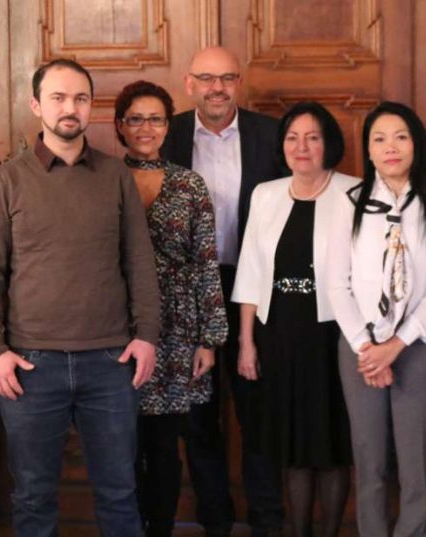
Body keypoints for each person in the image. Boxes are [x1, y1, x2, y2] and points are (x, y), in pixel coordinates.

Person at [0, 59, 160, 537]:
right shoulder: (6, 181)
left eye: (79, 98)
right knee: (33, 497)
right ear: (36, 106)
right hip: (31, 367)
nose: (69, 108)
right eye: (57, 97)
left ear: (90, 107)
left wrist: (147, 337)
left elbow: (139, 261)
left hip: (111, 362)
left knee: (119, 492)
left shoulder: (116, 176)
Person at [161, 45, 284, 537]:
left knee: (259, 415)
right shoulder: (164, 135)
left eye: (227, 78)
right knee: (197, 419)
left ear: (239, 82)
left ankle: (267, 522)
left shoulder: (270, 136)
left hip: (256, 290)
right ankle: (216, 521)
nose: (218, 88)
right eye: (207, 78)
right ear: (189, 84)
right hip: (188, 295)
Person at [327, 101, 426, 537]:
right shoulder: (348, 204)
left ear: (416, 144)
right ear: (367, 150)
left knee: (416, 459)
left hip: (416, 348)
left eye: (401, 136)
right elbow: (336, 285)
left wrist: (395, 346)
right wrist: (369, 348)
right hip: (360, 349)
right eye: (379, 138)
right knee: (370, 460)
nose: (391, 147)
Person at [232, 101, 356, 537]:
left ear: (329, 144)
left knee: (331, 442)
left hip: (334, 336)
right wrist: (246, 342)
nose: (301, 147)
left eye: (313, 137)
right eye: (292, 138)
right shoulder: (265, 194)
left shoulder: (355, 193)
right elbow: (249, 269)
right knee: (294, 443)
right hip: (278, 335)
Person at [114, 79, 228, 537]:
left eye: (156, 118)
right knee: (120, 444)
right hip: (116, 328)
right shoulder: (103, 178)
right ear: (120, 126)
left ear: (168, 125)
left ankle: (159, 528)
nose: (146, 128)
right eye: (135, 119)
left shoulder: (189, 184)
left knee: (166, 447)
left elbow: (206, 264)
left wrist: (210, 340)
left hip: (179, 335)